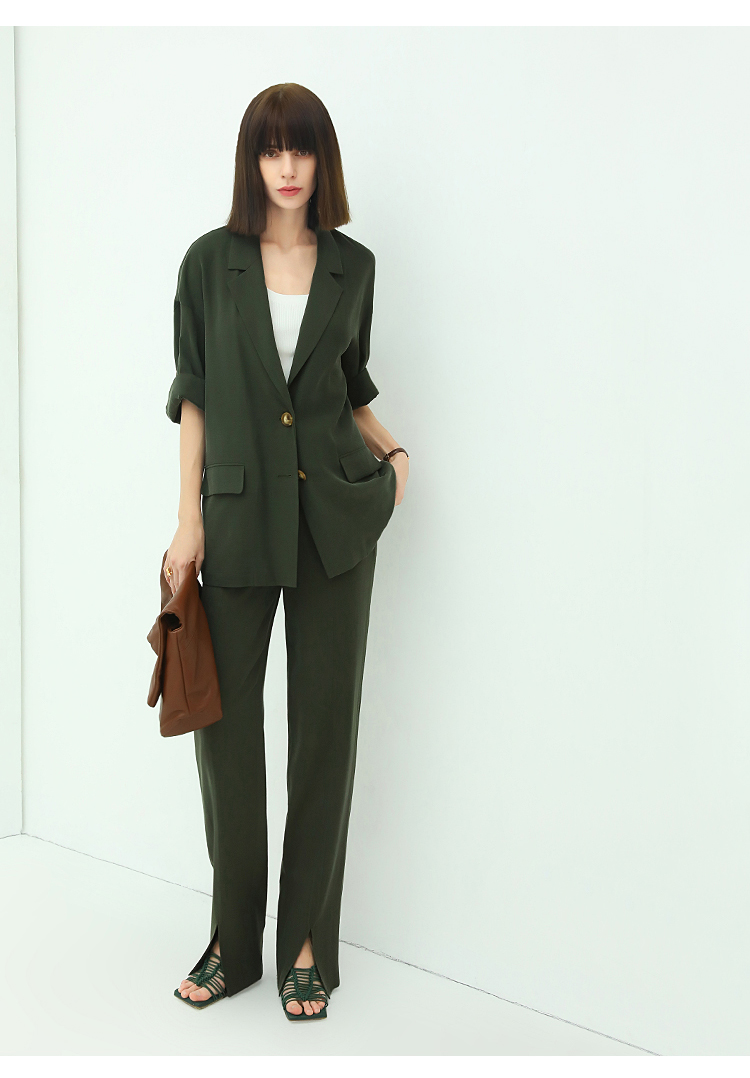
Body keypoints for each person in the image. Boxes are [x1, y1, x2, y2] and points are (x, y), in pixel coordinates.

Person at [163, 83, 409, 1021]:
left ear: (322, 160)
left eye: (301, 149)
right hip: (233, 520)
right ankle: (234, 942)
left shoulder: (354, 267)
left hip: (334, 523)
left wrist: (394, 457)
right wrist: (187, 520)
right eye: (271, 150)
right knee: (226, 737)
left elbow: (347, 386)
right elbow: (194, 393)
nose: (288, 167)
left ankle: (306, 940)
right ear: (252, 161)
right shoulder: (207, 263)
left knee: (324, 735)